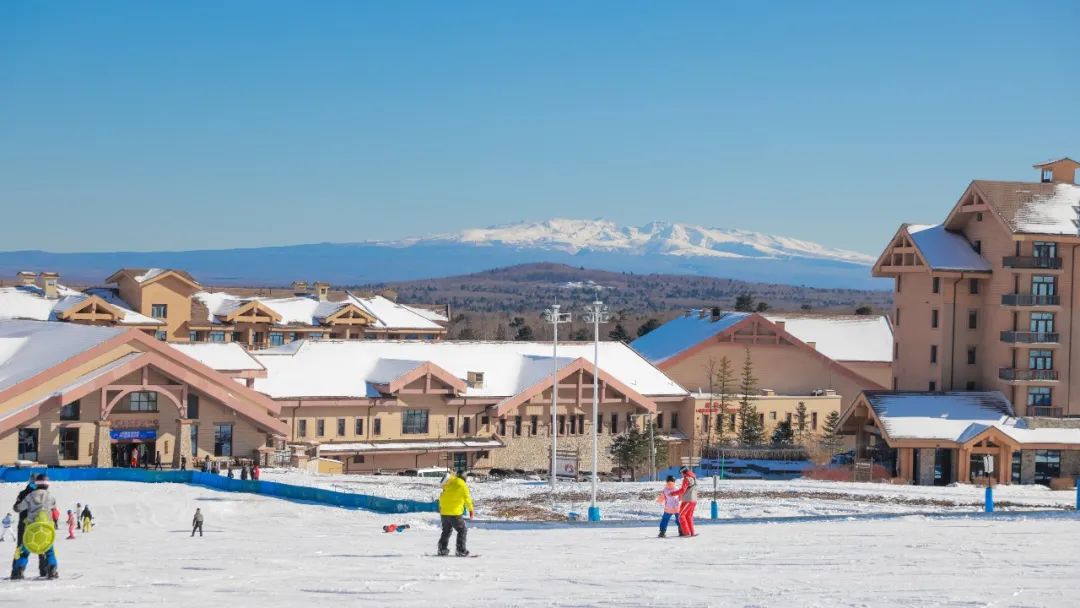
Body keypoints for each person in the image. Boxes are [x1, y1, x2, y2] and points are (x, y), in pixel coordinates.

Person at [12, 473, 58, 579]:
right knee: (49, 551)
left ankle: (19, 570)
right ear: (47, 485)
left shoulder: (30, 496)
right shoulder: (51, 497)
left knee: (24, 550)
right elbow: (54, 509)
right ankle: (52, 569)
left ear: (36, 483)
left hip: (31, 531)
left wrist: (17, 505)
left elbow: (18, 508)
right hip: (46, 531)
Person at [437, 470, 473, 557]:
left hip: (444, 512)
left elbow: (442, 496)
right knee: (462, 530)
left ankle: (442, 549)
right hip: (455, 513)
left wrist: (441, 507)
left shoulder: (448, 482)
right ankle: (460, 550)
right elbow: (467, 499)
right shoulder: (463, 485)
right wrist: (471, 510)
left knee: (446, 530)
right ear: (464, 477)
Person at [674, 466, 699, 537]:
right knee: (688, 516)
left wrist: (672, 493)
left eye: (681, 473)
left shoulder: (686, 479)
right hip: (693, 500)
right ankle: (692, 533)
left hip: (688, 500)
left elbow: (682, 490)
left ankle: (687, 532)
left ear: (684, 472)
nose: (681, 475)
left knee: (681, 516)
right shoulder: (693, 478)